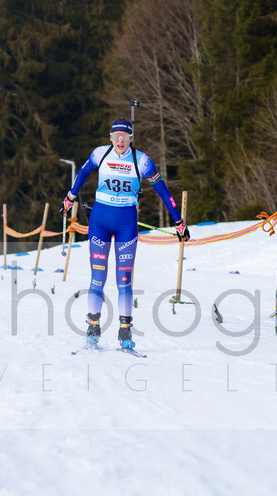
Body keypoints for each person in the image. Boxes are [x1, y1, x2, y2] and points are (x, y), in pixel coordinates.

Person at [61, 117, 188, 350]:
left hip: (126, 226)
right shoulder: (100, 154)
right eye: (116, 135)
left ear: (131, 138)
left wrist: (179, 222)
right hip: (99, 222)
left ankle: (125, 331)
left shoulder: (142, 161)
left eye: (125, 135)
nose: (120, 139)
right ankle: (93, 326)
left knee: (124, 281)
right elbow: (82, 175)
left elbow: (164, 192)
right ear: (110, 137)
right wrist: (69, 198)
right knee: (97, 277)